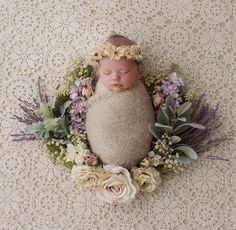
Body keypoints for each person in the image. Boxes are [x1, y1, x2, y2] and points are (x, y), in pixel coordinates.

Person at [85, 34, 155, 168]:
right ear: (99, 70)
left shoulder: (139, 92)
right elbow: (95, 119)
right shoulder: (98, 89)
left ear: (137, 70)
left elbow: (145, 118)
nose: (115, 78)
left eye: (123, 72)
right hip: (102, 150)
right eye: (106, 72)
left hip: (135, 150)